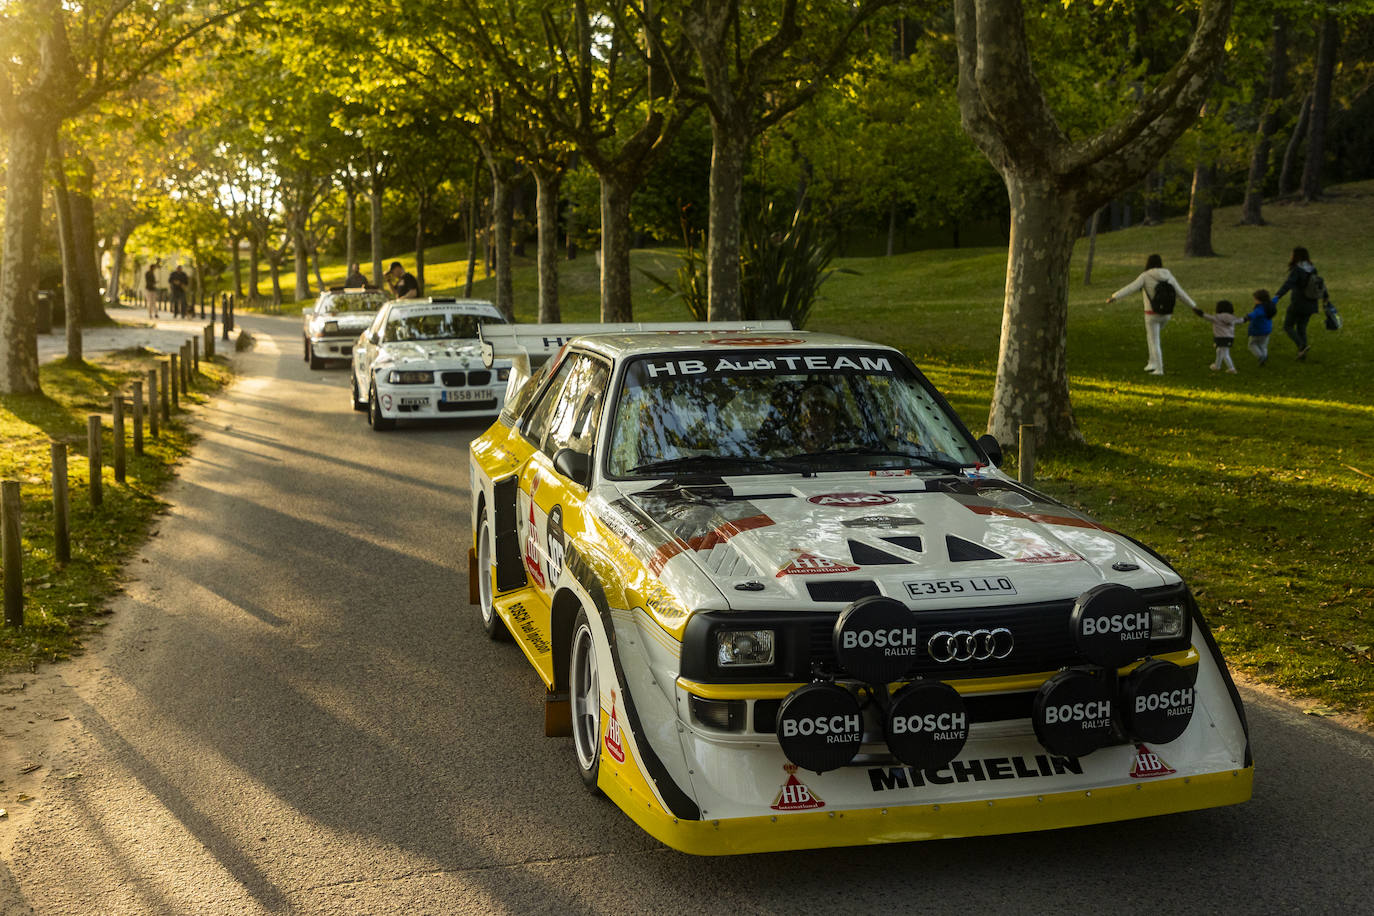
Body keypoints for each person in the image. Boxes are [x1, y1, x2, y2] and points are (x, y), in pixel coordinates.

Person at [1106, 253, 1197, 375]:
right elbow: (1180, 293)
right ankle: (1152, 362)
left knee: (1154, 340)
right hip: (1166, 314)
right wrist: (1193, 306)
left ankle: (1159, 368)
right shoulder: (1168, 275)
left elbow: (1131, 288)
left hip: (1151, 314)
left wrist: (1115, 297)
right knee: (1152, 337)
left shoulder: (1145, 276)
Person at [1271, 246, 1323, 360]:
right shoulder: (1312, 268)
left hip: (1298, 302)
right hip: (1311, 302)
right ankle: (1302, 354)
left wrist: (1277, 296)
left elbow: (1288, 284)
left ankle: (1301, 345)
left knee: (1288, 326)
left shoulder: (1297, 269)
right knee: (1302, 327)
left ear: (1296, 256)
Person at [1190, 300, 1246, 373]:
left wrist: (1199, 312)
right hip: (1229, 338)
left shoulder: (1216, 317)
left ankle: (1231, 368)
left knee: (1225, 353)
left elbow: (1206, 316)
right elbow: (1240, 320)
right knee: (1219, 351)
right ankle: (1217, 366)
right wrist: (1246, 318)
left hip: (1220, 338)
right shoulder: (1232, 317)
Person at [1241, 288, 1274, 366]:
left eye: (1255, 299)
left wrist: (1244, 319)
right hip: (1267, 330)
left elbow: (1252, 315)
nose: (1254, 301)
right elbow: (1275, 300)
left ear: (1260, 300)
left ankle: (1260, 357)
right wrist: (1277, 296)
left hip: (1257, 331)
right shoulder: (1270, 306)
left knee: (1252, 345)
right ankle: (1264, 357)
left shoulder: (1259, 309)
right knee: (1263, 345)